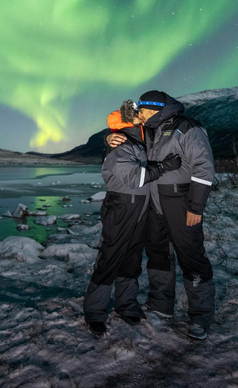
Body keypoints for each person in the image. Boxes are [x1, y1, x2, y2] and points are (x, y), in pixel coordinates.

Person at [107, 90, 216, 340]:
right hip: (154, 204)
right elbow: (122, 128)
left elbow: (204, 168)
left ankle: (200, 316)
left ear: (155, 109)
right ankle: (161, 305)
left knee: (192, 257)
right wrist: (109, 139)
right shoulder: (150, 130)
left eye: (142, 111)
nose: (139, 115)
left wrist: (195, 207)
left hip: (181, 203)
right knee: (158, 254)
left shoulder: (188, 128)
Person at [83, 100, 181, 337]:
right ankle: (95, 311)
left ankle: (126, 304)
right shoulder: (121, 143)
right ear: (131, 118)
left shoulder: (140, 139)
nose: (145, 117)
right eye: (140, 114)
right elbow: (134, 176)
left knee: (132, 257)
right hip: (121, 207)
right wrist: (164, 167)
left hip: (140, 208)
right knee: (111, 256)